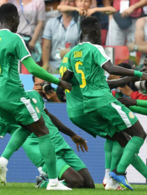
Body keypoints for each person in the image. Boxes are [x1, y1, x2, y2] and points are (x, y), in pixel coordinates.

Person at [0, 3, 72, 190]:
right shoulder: (15, 38)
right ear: (14, 18)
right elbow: (31, 68)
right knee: (43, 131)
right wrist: (59, 81)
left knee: (27, 125)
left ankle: (3, 161)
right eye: (18, 19)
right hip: (13, 95)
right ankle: (54, 182)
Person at [61, 16, 147, 191]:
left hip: (88, 106)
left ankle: (113, 178)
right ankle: (118, 172)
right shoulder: (95, 48)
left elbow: (65, 80)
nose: (101, 34)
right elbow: (111, 69)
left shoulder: (71, 54)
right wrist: (139, 74)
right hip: (103, 100)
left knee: (122, 138)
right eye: (99, 30)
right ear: (93, 30)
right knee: (139, 134)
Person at [0, 89, 95, 189]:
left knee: (89, 185)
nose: (40, 87)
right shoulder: (1, 116)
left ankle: (51, 180)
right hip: (40, 149)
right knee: (76, 181)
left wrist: (72, 134)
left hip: (60, 143)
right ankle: (44, 182)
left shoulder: (33, 96)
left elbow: (50, 117)